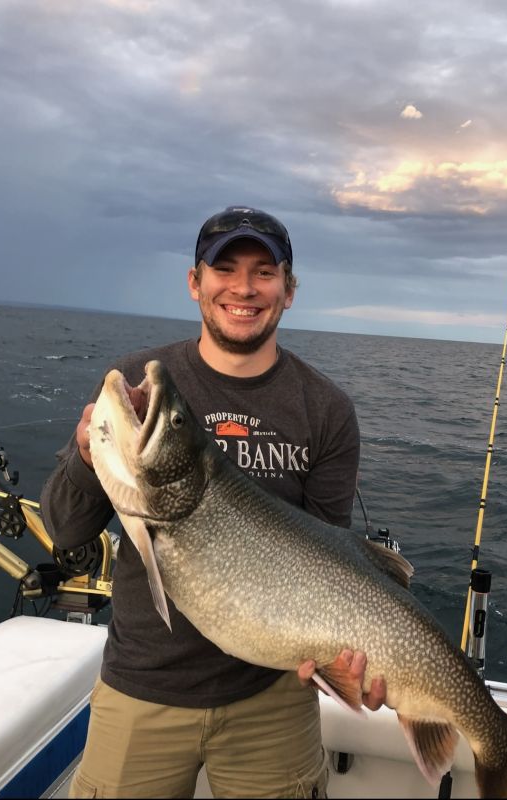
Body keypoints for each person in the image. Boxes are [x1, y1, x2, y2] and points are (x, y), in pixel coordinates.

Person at [41, 206, 386, 799]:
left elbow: (331, 560)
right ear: (195, 282)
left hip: (273, 695)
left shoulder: (326, 410)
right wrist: (86, 454)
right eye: (224, 268)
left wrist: (342, 664)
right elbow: (66, 529)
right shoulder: (136, 385)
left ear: (290, 290)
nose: (244, 288)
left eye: (264, 271)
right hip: (140, 685)